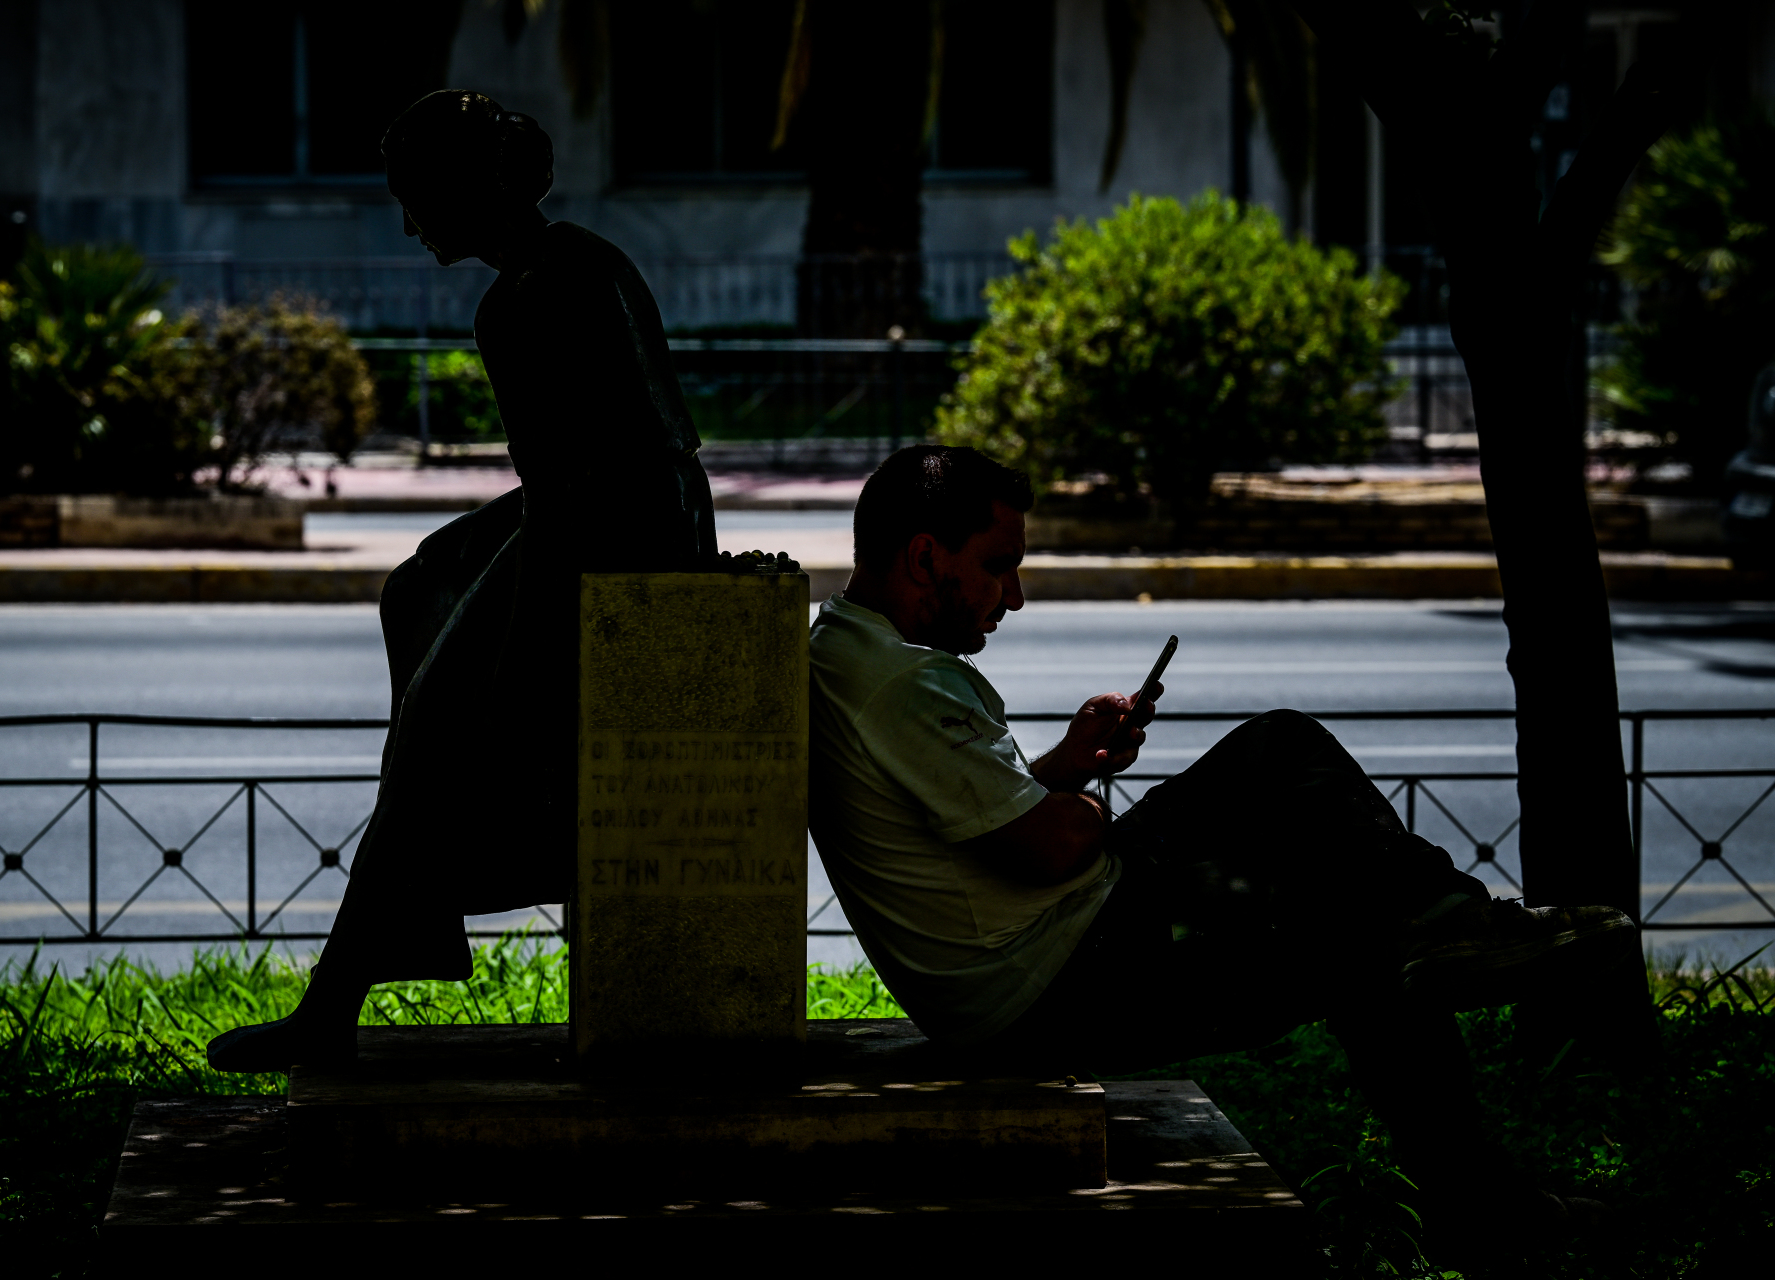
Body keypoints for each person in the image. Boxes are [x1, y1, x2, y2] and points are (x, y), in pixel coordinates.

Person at [808, 443, 1637, 1242]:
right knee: (1284, 753)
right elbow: (1054, 846)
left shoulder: (844, 652)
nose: (1014, 597)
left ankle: (1453, 981)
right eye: (998, 566)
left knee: (1358, 926)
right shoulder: (905, 683)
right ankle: (1458, 931)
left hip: (1017, 974)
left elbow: (968, 819)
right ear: (925, 557)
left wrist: (1067, 764)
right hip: (1056, 976)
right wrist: (1086, 809)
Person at [209, 92, 717, 1072]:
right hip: (621, 508)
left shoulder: (533, 296)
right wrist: (473, 551)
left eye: (416, 198)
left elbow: (593, 481)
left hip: (620, 534)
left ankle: (334, 1004)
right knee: (416, 587)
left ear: (470, 189)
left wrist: (514, 650)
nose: (411, 225)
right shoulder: (565, 266)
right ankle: (410, 926)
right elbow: (588, 466)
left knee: (432, 738)